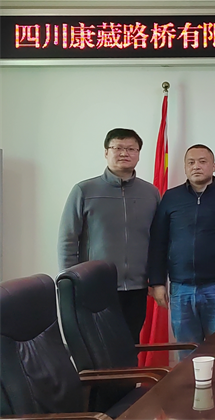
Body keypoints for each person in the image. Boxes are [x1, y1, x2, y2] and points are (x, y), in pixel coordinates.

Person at [58, 128, 160, 344]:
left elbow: (158, 239)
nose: (124, 153)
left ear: (139, 154)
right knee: (99, 348)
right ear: (106, 152)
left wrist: (157, 277)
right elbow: (68, 239)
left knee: (131, 345)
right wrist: (69, 282)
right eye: (118, 148)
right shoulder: (84, 190)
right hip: (95, 285)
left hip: (137, 287)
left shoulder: (150, 193)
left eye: (131, 149)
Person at [147, 145, 215, 350]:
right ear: (185, 167)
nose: (196, 166)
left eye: (202, 161)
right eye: (191, 162)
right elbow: (158, 242)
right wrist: (157, 282)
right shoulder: (171, 198)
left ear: (214, 166)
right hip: (181, 287)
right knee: (187, 350)